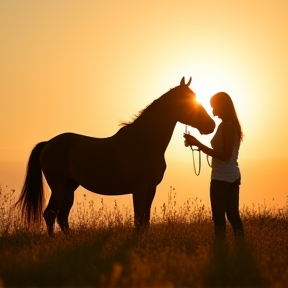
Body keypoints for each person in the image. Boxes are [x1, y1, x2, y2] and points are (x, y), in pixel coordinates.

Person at [184, 92, 244, 243]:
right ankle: (241, 247)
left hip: (221, 178)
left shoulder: (228, 126)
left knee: (219, 218)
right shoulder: (228, 125)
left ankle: (221, 248)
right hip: (232, 176)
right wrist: (195, 144)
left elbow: (225, 155)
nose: (212, 111)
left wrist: (198, 144)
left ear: (221, 106)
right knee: (232, 215)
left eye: (214, 107)